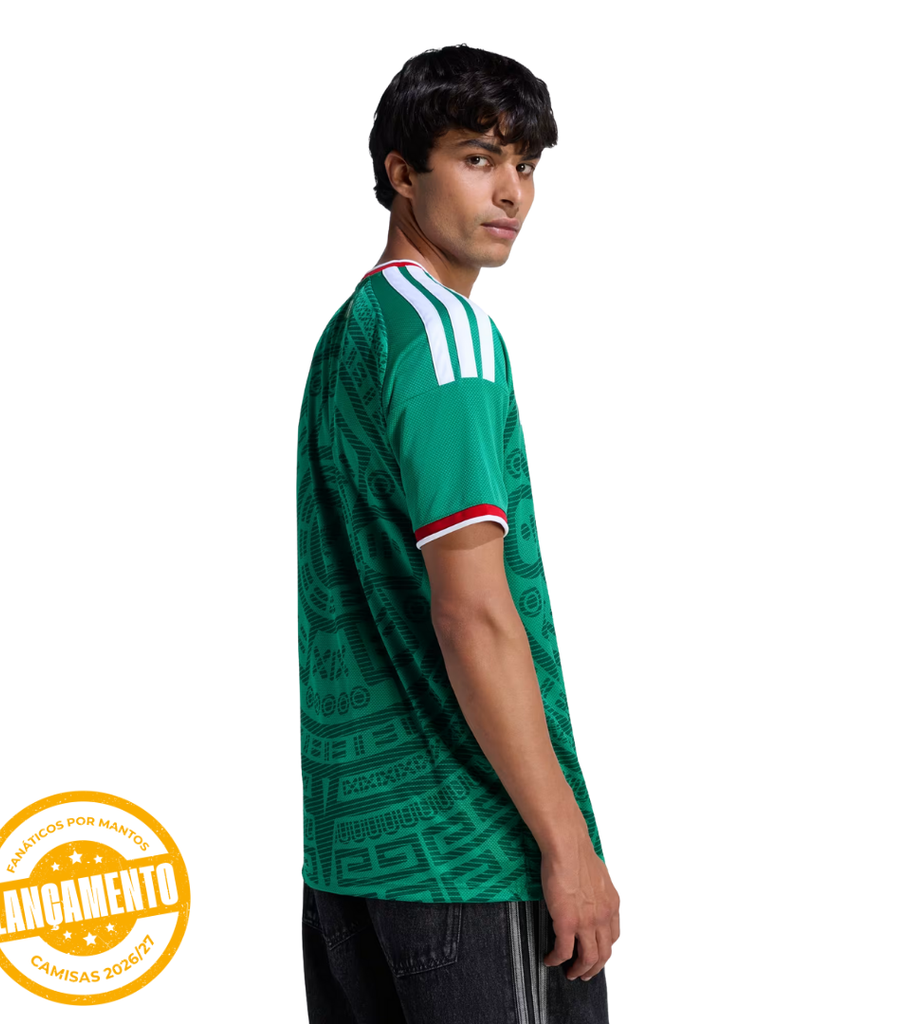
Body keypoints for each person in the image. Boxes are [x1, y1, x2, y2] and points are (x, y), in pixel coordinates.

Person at [297, 43, 620, 1023]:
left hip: (352, 868)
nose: (511, 191)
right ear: (402, 172)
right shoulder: (447, 339)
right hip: (469, 858)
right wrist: (567, 844)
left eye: (525, 164)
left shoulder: (352, 334)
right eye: (478, 158)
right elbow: (471, 614)